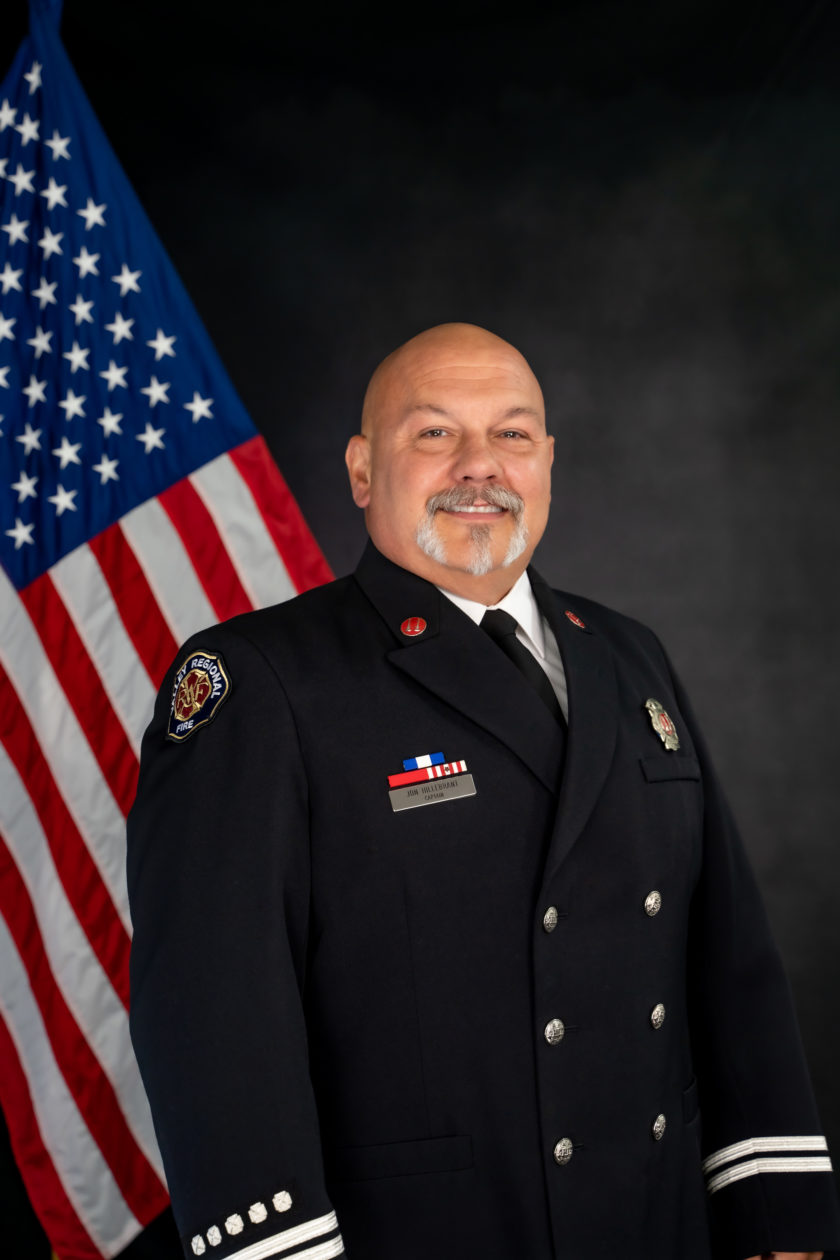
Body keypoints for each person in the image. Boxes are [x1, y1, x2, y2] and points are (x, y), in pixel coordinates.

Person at [127, 323, 840, 1260]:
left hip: (656, 1222)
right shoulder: (260, 680)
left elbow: (730, 960)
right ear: (360, 471)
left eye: (511, 435)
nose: (480, 466)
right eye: (433, 434)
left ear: (546, 461)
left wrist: (777, 1214)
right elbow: (215, 1020)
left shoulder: (627, 655)